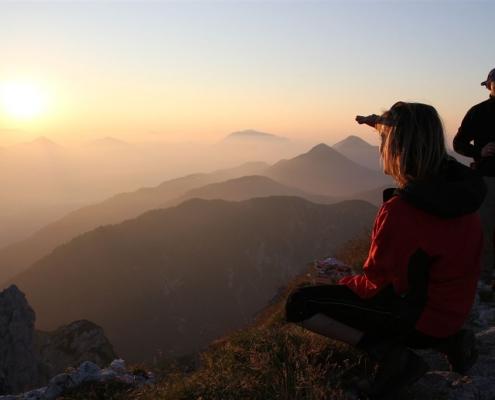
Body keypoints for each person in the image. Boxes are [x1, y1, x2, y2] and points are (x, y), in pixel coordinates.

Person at [286, 102, 486, 399]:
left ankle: (395, 359)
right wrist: (375, 121)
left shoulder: (402, 211)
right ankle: (451, 342)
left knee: (299, 303)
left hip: (421, 322)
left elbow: (378, 285)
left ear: (395, 148)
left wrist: (342, 281)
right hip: (454, 313)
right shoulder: (465, 197)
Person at [453, 68, 495, 287]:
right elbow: (458, 143)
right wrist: (479, 152)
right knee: (486, 229)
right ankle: (486, 277)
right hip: (487, 179)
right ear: (488, 86)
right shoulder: (478, 113)